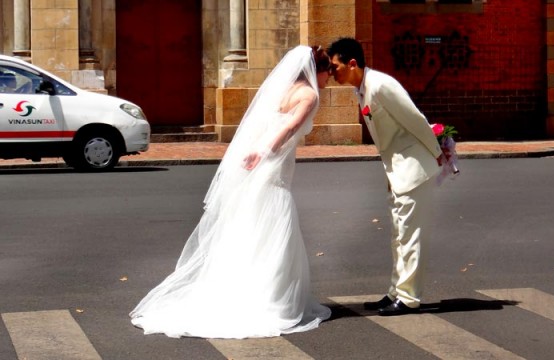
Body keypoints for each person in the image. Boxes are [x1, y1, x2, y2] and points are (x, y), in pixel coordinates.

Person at [130, 45, 332, 339]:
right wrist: (262, 153)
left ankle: (246, 288)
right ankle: (270, 297)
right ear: (319, 71)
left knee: (253, 226)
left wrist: (256, 152)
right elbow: (289, 127)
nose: (329, 81)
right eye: (328, 74)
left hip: (266, 165)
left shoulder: (284, 90)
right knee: (276, 227)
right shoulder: (309, 95)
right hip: (273, 167)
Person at [327, 38, 445, 316]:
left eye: (335, 67)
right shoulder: (362, 88)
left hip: (413, 169)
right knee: (398, 235)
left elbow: (414, 118)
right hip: (398, 171)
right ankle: (395, 291)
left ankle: (408, 297)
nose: (332, 73)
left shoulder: (380, 85)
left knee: (410, 235)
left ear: (352, 63)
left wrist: (438, 152)